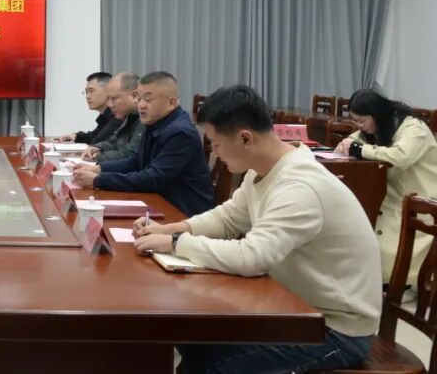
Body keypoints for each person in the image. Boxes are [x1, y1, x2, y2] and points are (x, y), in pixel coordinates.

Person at [136, 85, 380, 373]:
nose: (214, 153)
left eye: (215, 144)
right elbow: (228, 218)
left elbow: (253, 257)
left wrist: (178, 243)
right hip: (293, 308)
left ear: (245, 138)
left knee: (208, 367)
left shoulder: (299, 187)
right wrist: (170, 229)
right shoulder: (264, 169)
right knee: (194, 341)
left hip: (334, 329)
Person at [68, 71, 213, 217]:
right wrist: (98, 169)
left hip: (182, 212)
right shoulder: (155, 122)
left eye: (148, 99)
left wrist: (98, 180)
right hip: (157, 200)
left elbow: (154, 178)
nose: (141, 105)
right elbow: (136, 161)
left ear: (171, 103)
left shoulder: (180, 133)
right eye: (139, 98)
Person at [334, 88, 437, 283]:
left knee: (386, 247)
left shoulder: (414, 128)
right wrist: (347, 143)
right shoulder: (380, 127)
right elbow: (355, 139)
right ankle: (380, 282)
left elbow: (400, 156)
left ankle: (400, 285)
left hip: (423, 198)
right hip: (394, 194)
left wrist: (359, 149)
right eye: (355, 121)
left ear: (377, 114)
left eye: (362, 121)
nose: (359, 126)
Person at [82, 72, 144, 163]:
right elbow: (114, 142)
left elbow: (130, 155)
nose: (109, 104)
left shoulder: (146, 118)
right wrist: (97, 148)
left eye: (113, 99)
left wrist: (98, 157)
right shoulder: (130, 115)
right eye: (108, 99)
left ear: (134, 96)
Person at [58, 72, 121, 144]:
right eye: (86, 92)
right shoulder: (105, 115)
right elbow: (94, 136)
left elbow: (97, 141)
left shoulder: (117, 114)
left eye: (91, 91)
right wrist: (76, 136)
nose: (87, 96)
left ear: (107, 91)